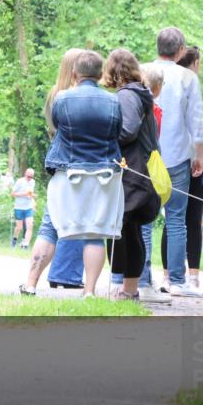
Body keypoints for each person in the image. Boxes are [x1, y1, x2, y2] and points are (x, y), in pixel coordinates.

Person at [43, 50, 123, 297]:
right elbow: (117, 130)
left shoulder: (62, 99)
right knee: (96, 232)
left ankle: (31, 283)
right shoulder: (113, 101)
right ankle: (89, 290)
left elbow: (58, 127)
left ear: (75, 73)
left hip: (69, 169)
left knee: (53, 226)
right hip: (103, 172)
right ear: (100, 75)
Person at [19, 47, 85, 296]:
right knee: (83, 223)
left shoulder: (54, 95)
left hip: (59, 163)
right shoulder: (81, 97)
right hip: (81, 163)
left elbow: (53, 129)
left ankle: (31, 282)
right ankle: (78, 282)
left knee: (50, 224)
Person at [109, 62, 171, 303]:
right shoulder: (143, 96)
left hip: (134, 171)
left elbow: (128, 131)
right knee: (131, 229)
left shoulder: (129, 95)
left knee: (126, 228)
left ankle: (128, 287)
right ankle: (130, 287)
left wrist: (107, 137)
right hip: (142, 169)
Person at [151, 28, 203, 297]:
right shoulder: (187, 77)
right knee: (176, 219)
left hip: (146, 156)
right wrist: (200, 156)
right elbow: (196, 121)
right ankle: (177, 281)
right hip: (177, 155)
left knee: (143, 218)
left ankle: (139, 278)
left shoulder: (142, 70)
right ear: (181, 49)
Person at [10, 168, 36, 248]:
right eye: (28, 176)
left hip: (28, 207)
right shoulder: (20, 181)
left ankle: (25, 244)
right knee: (19, 227)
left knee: (30, 225)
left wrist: (33, 200)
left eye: (31, 177)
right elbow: (12, 194)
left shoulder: (33, 182)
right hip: (19, 207)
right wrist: (24, 194)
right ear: (25, 174)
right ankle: (14, 240)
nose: (29, 178)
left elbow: (31, 193)